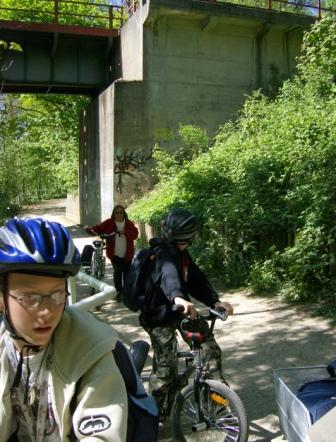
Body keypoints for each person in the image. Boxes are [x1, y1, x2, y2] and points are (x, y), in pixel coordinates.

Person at [0, 217, 128, 441]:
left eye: (58, 295)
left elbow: (102, 436)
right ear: (1, 299)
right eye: (31, 298)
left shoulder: (90, 349)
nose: (47, 311)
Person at [138, 208, 234, 415]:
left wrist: (215, 301)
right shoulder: (163, 253)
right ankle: (152, 414)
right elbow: (168, 275)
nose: (186, 243)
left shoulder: (181, 253)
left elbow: (196, 279)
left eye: (186, 240)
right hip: (158, 317)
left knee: (209, 347)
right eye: (183, 240)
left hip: (181, 311)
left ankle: (216, 398)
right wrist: (177, 296)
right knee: (166, 369)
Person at [87, 205, 138, 301]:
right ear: (114, 214)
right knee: (117, 273)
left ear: (124, 214)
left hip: (127, 254)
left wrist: (124, 232)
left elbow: (135, 234)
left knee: (127, 274)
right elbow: (98, 228)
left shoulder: (128, 223)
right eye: (117, 212)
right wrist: (90, 229)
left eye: (121, 212)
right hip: (114, 254)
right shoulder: (109, 223)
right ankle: (119, 292)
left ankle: (126, 294)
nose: (119, 214)